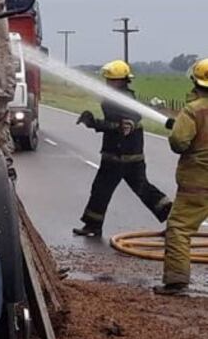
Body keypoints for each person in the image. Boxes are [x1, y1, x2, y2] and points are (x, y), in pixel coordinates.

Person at [73, 60, 172, 236]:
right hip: (130, 155)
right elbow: (128, 121)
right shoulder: (127, 96)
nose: (107, 82)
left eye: (110, 79)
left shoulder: (117, 98)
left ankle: (93, 226)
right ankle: (174, 221)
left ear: (121, 80)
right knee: (142, 189)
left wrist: (93, 122)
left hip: (118, 156)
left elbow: (118, 125)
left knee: (102, 189)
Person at [155, 58, 208, 295]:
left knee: (179, 228)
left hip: (198, 181)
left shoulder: (193, 110)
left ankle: (176, 282)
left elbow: (179, 142)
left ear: (195, 81)